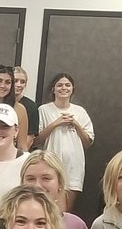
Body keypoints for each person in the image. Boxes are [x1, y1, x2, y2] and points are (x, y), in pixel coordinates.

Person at [36, 73, 94, 207]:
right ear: (53, 89)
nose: (64, 88)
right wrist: (56, 123)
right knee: (46, 207)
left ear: (72, 89)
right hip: (49, 165)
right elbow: (36, 140)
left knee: (66, 210)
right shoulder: (44, 110)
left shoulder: (80, 111)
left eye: (67, 85)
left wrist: (76, 124)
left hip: (73, 167)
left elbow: (88, 142)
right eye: (60, 85)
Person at [13, 66, 39, 151]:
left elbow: (29, 139)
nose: (19, 85)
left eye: (22, 82)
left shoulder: (31, 106)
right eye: (15, 81)